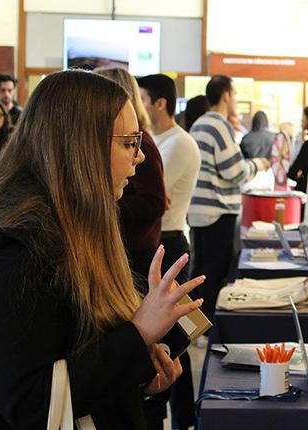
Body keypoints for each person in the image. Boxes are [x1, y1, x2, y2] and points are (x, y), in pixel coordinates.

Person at [0, 70, 206, 428]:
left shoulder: (73, 229)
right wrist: (138, 335)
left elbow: (83, 363)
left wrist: (144, 377)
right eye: (127, 143)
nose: (139, 158)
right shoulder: (16, 255)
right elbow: (31, 405)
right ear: (82, 148)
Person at [137, 72, 202, 430]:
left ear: (160, 103)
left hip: (171, 239)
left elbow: (155, 198)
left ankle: (183, 418)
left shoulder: (178, 142)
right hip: (157, 240)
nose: (140, 107)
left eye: (143, 100)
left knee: (175, 339)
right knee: (159, 339)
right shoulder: (156, 139)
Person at [188, 74, 270, 321]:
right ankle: (207, 327)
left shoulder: (199, 124)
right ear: (225, 95)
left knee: (201, 272)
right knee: (215, 273)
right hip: (218, 210)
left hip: (199, 210)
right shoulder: (219, 125)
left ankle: (196, 327)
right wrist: (259, 164)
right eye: (234, 95)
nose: (235, 100)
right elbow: (234, 172)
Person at [96, 68, 166, 296]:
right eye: (127, 144)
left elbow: (155, 202)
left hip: (136, 249)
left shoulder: (142, 143)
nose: (138, 156)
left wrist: (103, 203)